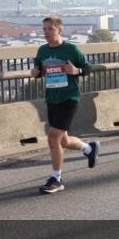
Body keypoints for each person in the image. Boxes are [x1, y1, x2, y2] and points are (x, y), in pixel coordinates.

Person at [30, 16, 100, 194]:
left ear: (60, 30)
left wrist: (77, 71)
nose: (46, 32)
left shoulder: (71, 49)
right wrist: (35, 73)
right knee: (63, 140)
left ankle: (57, 178)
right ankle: (89, 148)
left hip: (69, 98)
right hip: (52, 99)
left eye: (50, 29)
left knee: (52, 138)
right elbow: (39, 71)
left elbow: (88, 68)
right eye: (44, 29)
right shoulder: (42, 51)